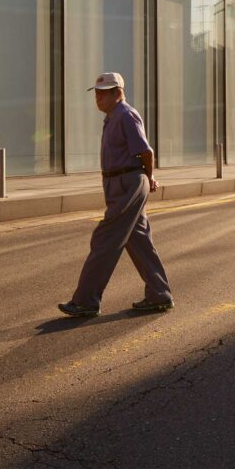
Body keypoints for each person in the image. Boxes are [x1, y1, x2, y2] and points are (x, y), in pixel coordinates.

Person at [58, 72, 173, 318]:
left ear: (117, 93)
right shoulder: (113, 117)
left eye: (104, 92)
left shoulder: (126, 115)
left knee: (105, 239)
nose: (98, 97)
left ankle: (86, 300)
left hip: (128, 182)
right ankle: (159, 295)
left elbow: (146, 152)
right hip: (120, 182)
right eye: (97, 92)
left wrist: (149, 177)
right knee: (138, 240)